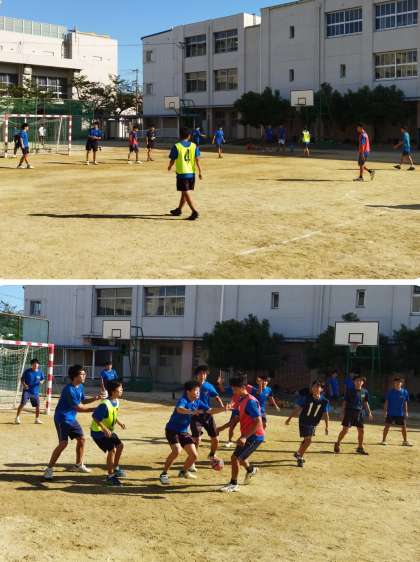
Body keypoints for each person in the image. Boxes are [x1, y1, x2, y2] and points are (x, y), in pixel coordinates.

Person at [159, 380, 227, 485]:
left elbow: (209, 410)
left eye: (199, 391)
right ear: (188, 392)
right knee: (177, 451)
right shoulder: (183, 400)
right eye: (196, 391)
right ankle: (164, 474)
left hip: (183, 432)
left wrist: (223, 409)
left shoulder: (197, 402)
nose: (198, 393)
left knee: (194, 455)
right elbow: (179, 409)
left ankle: (183, 472)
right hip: (172, 430)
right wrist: (192, 412)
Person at [43, 365, 101, 480]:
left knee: (82, 439)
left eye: (84, 374)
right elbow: (79, 408)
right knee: (63, 443)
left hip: (71, 418)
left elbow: (83, 401)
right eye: (82, 374)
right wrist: (95, 409)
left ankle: (78, 465)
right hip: (62, 419)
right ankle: (49, 469)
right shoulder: (69, 390)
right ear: (74, 376)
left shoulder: (80, 386)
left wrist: (95, 398)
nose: (85, 376)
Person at [220, 375, 264, 493]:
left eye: (235, 389)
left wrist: (245, 437)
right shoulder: (241, 400)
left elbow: (258, 422)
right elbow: (237, 418)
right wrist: (221, 428)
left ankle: (234, 484)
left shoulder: (250, 402)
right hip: (248, 434)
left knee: (235, 458)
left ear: (243, 387)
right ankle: (251, 470)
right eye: (233, 389)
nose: (233, 391)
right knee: (242, 457)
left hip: (255, 436)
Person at [90, 380, 127, 486]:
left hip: (108, 431)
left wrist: (119, 422)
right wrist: (104, 428)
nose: (122, 390)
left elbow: (113, 414)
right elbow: (95, 417)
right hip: (98, 432)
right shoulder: (105, 404)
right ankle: (110, 476)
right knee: (112, 450)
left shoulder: (116, 401)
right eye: (120, 389)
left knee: (120, 445)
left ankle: (115, 468)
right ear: (113, 391)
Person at [285, 380, 329, 467]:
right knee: (308, 441)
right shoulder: (306, 398)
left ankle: (298, 453)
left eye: (317, 386)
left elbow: (326, 414)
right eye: (313, 386)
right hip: (304, 421)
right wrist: (289, 419)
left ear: (321, 389)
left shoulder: (324, 401)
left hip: (313, 423)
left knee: (306, 440)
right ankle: (300, 458)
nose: (315, 388)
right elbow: (297, 409)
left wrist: (327, 426)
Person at [190, 366, 225, 469]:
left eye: (204, 374)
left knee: (216, 439)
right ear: (197, 375)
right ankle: (192, 461)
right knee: (197, 439)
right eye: (201, 373)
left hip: (207, 414)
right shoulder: (192, 386)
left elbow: (216, 396)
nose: (203, 375)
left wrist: (222, 405)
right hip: (195, 415)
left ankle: (212, 455)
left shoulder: (209, 386)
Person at [168, 127, 202, 221]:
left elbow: (172, 159)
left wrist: (170, 166)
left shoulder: (177, 146)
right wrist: (200, 171)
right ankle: (179, 209)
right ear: (189, 136)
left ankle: (194, 211)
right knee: (184, 192)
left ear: (180, 136)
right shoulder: (194, 146)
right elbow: (197, 160)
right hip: (191, 173)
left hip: (182, 173)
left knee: (185, 192)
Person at [334, 374, 373, 455]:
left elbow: (366, 403)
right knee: (345, 430)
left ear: (363, 382)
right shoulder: (349, 391)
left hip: (359, 413)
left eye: (360, 381)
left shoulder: (365, 392)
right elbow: (345, 402)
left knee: (361, 430)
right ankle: (337, 443)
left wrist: (369, 412)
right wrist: (342, 412)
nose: (359, 382)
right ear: (354, 382)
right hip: (349, 412)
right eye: (357, 381)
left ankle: (360, 447)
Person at [381, 377, 412, 447]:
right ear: (394, 383)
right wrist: (385, 411)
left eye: (399, 382)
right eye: (396, 382)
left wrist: (406, 412)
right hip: (390, 413)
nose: (398, 383)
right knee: (387, 427)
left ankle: (405, 441)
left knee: (404, 427)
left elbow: (405, 403)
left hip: (400, 413)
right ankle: (383, 440)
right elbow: (386, 402)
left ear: (402, 384)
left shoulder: (405, 392)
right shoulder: (390, 392)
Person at [15, 358, 45, 425]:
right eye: (34, 365)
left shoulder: (40, 372)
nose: (36, 366)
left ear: (38, 365)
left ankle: (37, 419)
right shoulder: (27, 371)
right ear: (32, 365)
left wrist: (42, 382)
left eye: (37, 365)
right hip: (27, 391)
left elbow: (43, 379)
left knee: (38, 406)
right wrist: (24, 385)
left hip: (35, 392)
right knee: (23, 403)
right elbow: (22, 379)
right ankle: (17, 418)